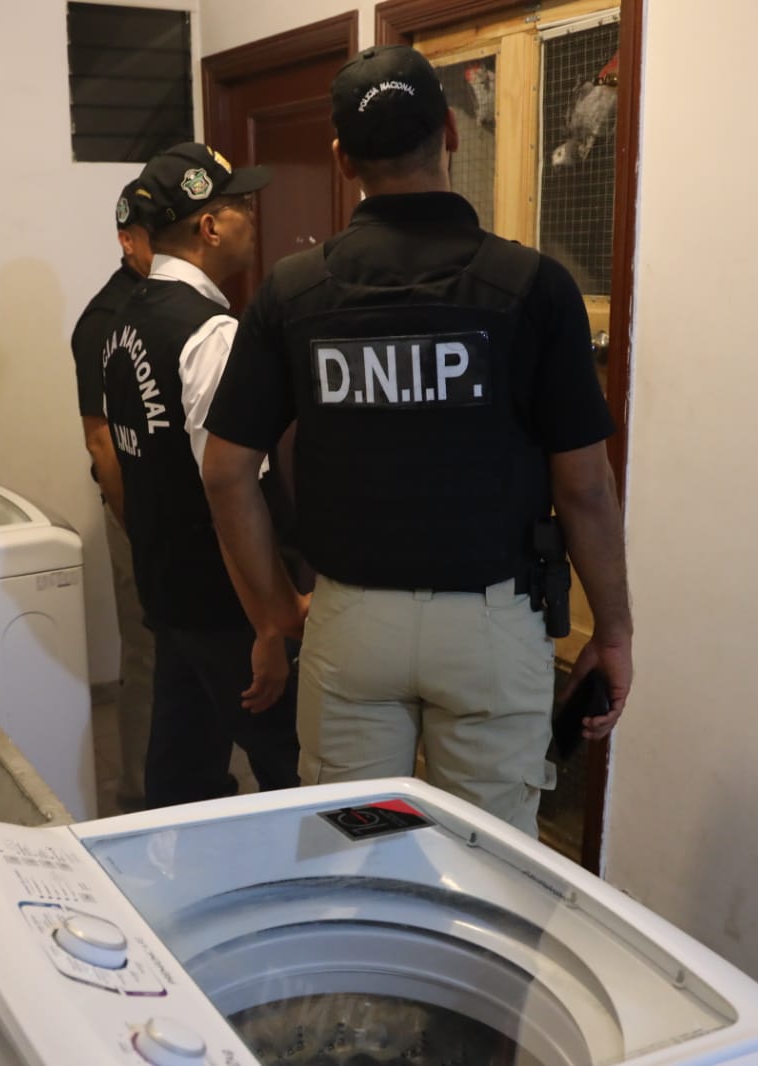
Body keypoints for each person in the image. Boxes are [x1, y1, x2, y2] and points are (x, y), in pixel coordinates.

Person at [199, 46, 632, 836]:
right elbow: (585, 487)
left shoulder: (292, 291)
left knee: (355, 854)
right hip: (492, 625)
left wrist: (275, 609)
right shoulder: (533, 287)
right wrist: (613, 630)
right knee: (487, 864)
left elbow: (226, 472)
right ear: (451, 135)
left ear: (342, 158)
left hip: (351, 623)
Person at [101, 142, 300, 808]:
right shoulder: (210, 335)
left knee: (183, 776)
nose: (252, 217)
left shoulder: (127, 320)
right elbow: (231, 489)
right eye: (240, 205)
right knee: (293, 773)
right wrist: (271, 622)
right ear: (209, 227)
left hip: (172, 594)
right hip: (227, 607)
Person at [69, 179, 156, 811]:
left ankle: (188, 781)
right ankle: (141, 792)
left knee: (180, 648)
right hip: (136, 511)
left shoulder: (170, 300)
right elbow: (101, 442)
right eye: (156, 236)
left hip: (178, 510)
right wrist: (136, 527)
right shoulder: (105, 319)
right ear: (127, 240)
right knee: (148, 651)